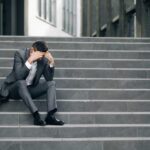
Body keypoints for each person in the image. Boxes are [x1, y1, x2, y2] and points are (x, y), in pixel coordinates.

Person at [0, 41, 64, 126]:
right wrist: (30, 60)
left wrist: (51, 63)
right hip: (14, 88)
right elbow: (19, 77)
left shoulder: (43, 60)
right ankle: (36, 116)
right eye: (39, 55)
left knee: (51, 83)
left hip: (29, 89)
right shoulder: (20, 54)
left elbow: (49, 79)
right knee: (21, 83)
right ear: (32, 50)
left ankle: (50, 116)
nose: (41, 58)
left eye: (43, 55)